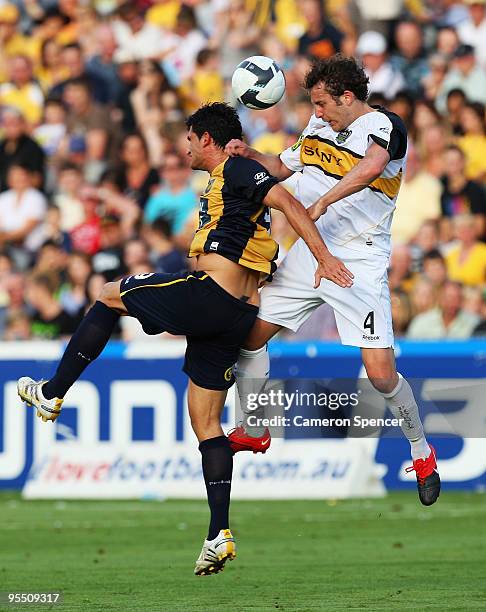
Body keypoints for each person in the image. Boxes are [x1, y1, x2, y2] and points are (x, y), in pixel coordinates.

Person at [17, 102, 345, 576]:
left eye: (190, 139)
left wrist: (322, 257)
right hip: (235, 315)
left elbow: (288, 203)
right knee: (205, 422)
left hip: (212, 295)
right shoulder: (225, 180)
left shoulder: (237, 169)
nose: (186, 146)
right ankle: (219, 534)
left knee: (109, 295)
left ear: (207, 140)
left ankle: (52, 394)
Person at [225, 55, 441, 507]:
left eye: (322, 103)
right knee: (250, 336)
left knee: (381, 376)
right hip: (311, 252)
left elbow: (369, 168)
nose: (317, 112)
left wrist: (321, 201)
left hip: (359, 260)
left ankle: (421, 452)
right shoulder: (316, 129)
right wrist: (249, 156)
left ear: (347, 96)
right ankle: (256, 427)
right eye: (313, 104)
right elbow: (283, 167)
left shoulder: (385, 126)